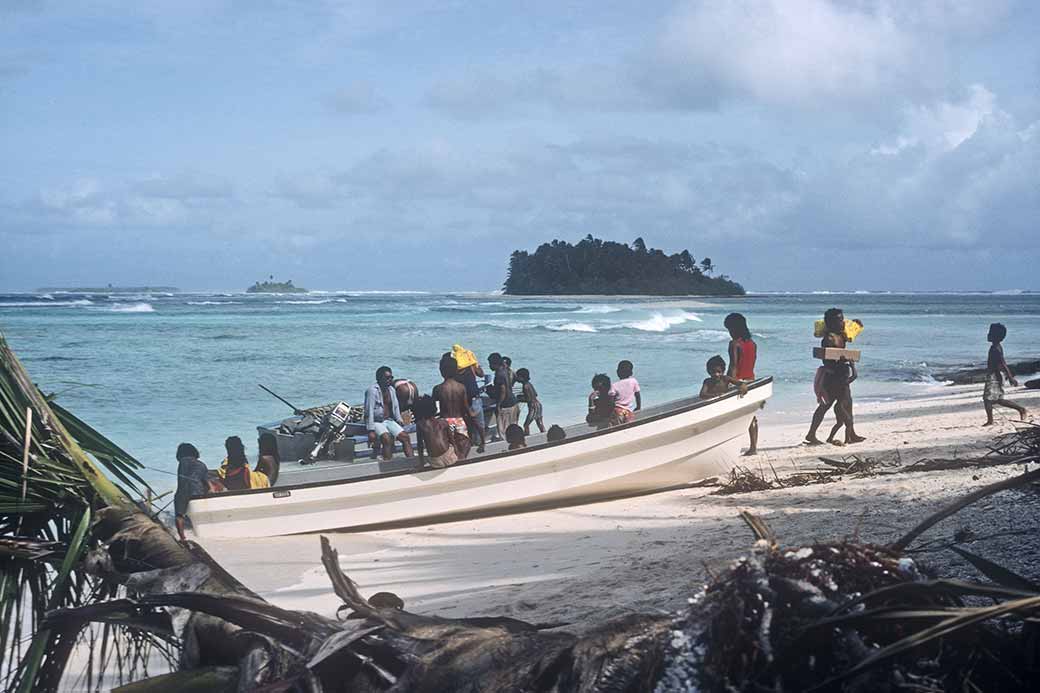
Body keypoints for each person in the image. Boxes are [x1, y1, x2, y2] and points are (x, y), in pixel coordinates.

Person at [805, 308, 865, 445]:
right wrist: (842, 360)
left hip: (842, 376)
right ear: (830, 323)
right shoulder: (829, 338)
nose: (842, 322)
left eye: (842, 319)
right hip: (834, 378)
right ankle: (811, 434)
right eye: (839, 320)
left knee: (848, 404)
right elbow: (827, 359)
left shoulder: (841, 335)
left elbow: (852, 331)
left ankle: (851, 433)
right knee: (825, 406)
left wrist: (856, 325)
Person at [724, 313, 758, 455]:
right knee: (751, 415)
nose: (729, 333)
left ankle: (729, 446)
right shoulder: (752, 344)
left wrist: (729, 383)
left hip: (738, 382)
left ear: (734, 329)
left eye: (729, 329)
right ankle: (753, 448)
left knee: (729, 415)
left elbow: (733, 366)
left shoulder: (734, 344)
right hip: (751, 380)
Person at [364, 366, 414, 461]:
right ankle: (387, 463)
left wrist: (399, 419)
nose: (389, 380)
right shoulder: (372, 391)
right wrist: (370, 430)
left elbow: (395, 407)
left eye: (391, 377)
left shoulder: (391, 390)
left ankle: (412, 462)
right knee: (386, 439)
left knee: (405, 437)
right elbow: (368, 410)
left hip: (388, 420)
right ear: (379, 378)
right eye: (387, 378)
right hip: (376, 421)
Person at [983, 323, 1028, 425]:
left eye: (990, 333)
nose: (988, 334)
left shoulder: (996, 349)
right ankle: (1020, 409)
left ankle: (990, 421)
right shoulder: (996, 347)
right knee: (997, 400)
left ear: (996, 336)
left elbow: (1003, 364)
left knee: (988, 399)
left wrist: (1010, 377)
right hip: (994, 375)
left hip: (995, 376)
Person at [432, 354, 476, 456]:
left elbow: (434, 409)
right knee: (464, 445)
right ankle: (462, 461)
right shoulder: (461, 387)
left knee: (449, 448)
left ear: (442, 371)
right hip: (459, 420)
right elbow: (466, 408)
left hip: (445, 422)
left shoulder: (438, 389)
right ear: (456, 370)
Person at [414, 395, 470, 468]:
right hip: (449, 458)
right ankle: (461, 457)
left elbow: (420, 445)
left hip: (435, 461)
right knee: (464, 438)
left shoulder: (420, 425)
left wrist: (421, 462)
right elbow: (452, 441)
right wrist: (457, 453)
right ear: (434, 408)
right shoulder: (443, 422)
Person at [452, 344, 487, 453]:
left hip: (463, 400)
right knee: (478, 423)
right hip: (473, 399)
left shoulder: (455, 370)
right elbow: (481, 374)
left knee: (469, 423)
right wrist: (475, 363)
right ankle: (480, 442)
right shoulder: (470, 366)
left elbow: (481, 374)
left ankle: (475, 443)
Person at [173, 443, 209, 542]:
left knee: (179, 516)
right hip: (198, 491)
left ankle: (182, 537)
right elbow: (206, 482)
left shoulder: (183, 461)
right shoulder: (202, 464)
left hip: (183, 491)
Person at [488, 352, 520, 440]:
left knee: (504, 431)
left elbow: (503, 390)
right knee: (513, 429)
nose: (489, 366)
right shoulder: (506, 370)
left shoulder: (499, 374)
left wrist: (498, 404)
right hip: (513, 403)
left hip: (506, 405)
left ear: (495, 364)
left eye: (490, 364)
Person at [514, 368, 545, 434]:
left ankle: (527, 437)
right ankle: (544, 434)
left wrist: (519, 399)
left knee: (526, 425)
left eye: (518, 376)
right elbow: (535, 394)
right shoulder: (529, 384)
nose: (517, 378)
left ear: (522, 377)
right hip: (538, 404)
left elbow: (528, 399)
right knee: (539, 423)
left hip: (533, 406)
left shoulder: (525, 386)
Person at [612, 360, 641, 424]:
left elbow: (611, 400)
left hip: (617, 410)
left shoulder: (614, 385)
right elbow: (637, 395)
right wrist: (638, 407)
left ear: (617, 372)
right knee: (628, 426)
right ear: (631, 373)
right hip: (628, 411)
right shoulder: (633, 381)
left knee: (617, 427)